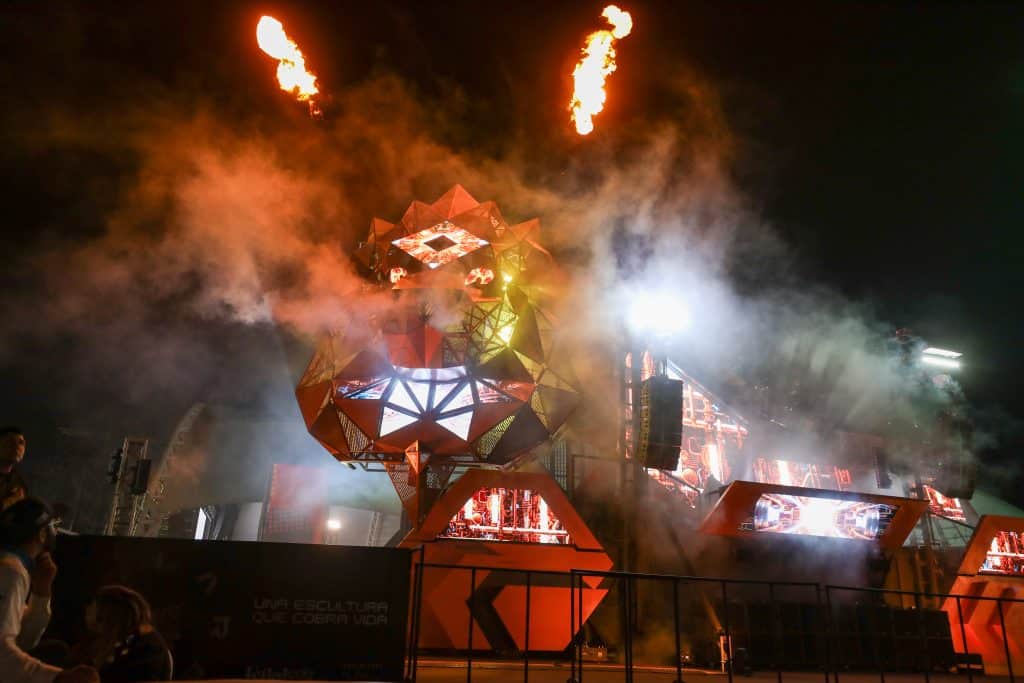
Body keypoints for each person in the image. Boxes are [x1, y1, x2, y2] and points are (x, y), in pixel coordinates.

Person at [0, 498, 98, 683]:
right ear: (43, 534)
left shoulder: (12, 567)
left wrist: (41, 593)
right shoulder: (10, 572)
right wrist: (59, 677)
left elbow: (24, 640)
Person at [70, 586, 171, 683]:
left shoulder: (144, 648)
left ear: (106, 614)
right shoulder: (108, 642)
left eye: (92, 604)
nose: (87, 608)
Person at [0, 427, 29, 510]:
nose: (17, 447)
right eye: (10, 442)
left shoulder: (18, 482)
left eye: (21, 443)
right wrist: (12, 500)